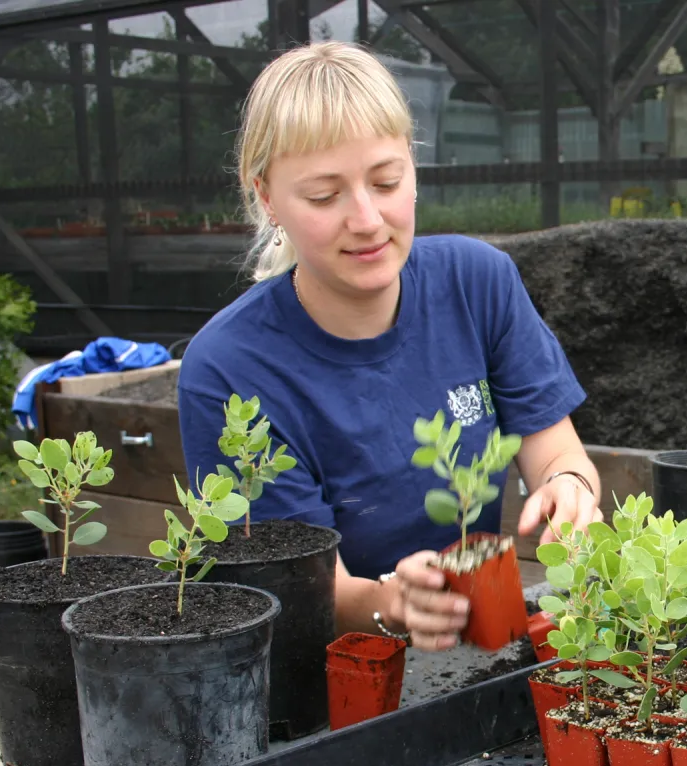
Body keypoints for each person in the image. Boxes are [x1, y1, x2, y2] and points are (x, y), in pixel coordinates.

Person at [177, 41, 602, 653]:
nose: (369, 219)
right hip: (328, 676)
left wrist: (570, 488)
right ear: (266, 197)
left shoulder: (476, 282)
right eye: (325, 196)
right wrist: (392, 603)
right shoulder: (230, 368)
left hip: (474, 647)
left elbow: (557, 450)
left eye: (386, 180)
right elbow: (297, 589)